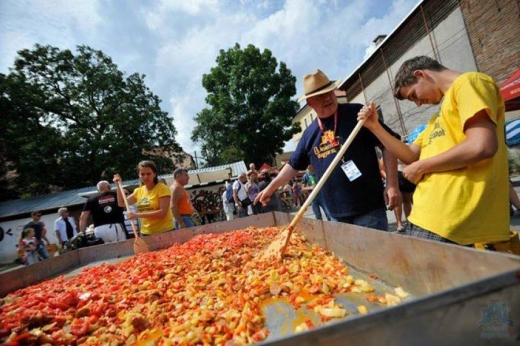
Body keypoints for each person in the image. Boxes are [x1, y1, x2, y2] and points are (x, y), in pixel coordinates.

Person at [358, 55, 509, 245]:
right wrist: (375, 127)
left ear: (421, 75)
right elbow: (410, 155)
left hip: (452, 217)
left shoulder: (470, 82)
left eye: (413, 95)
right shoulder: (437, 117)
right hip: (429, 215)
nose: (418, 103)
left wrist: (421, 167)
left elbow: (482, 145)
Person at [256, 69, 400, 231]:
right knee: (344, 257)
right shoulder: (309, 134)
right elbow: (292, 166)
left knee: (375, 255)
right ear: (309, 103)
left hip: (369, 208)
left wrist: (392, 184)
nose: (327, 98)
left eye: (328, 92)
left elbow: (389, 145)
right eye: (319, 97)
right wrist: (270, 188)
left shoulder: (357, 113)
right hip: (335, 214)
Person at [114, 160, 174, 236]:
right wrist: (118, 186)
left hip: (165, 231)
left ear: (154, 174)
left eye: (148, 174)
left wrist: (137, 215)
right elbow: (121, 203)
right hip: (146, 232)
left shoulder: (162, 188)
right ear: (139, 175)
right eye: (142, 174)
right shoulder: (138, 191)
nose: (145, 177)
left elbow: (162, 213)